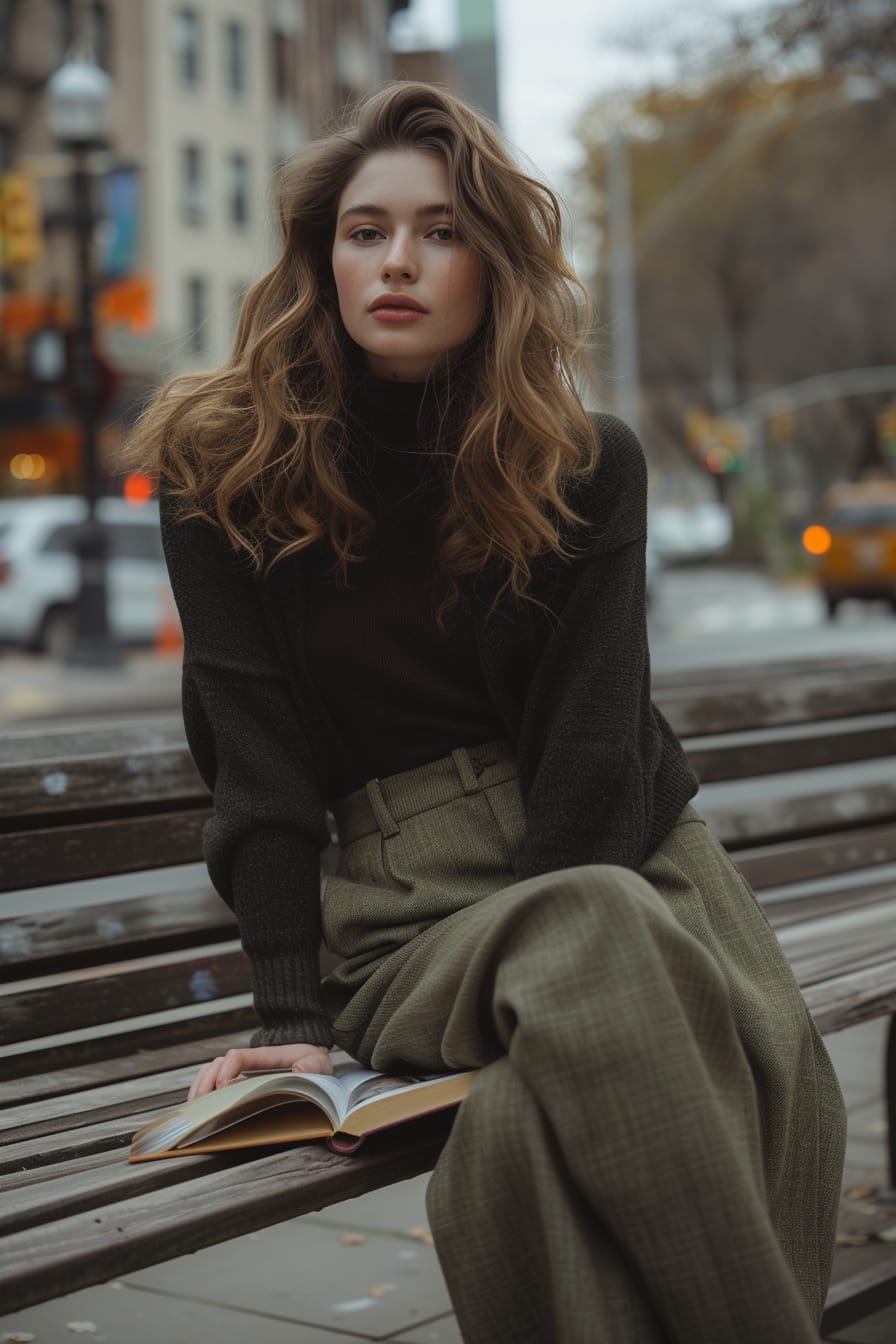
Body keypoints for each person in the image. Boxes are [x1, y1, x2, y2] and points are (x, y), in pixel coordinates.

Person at [127, 81, 846, 1343]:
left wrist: (585, 967)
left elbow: (586, 745)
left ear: (493, 263)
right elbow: (259, 761)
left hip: (628, 864)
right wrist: (290, 1020)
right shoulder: (220, 466)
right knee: (593, 951)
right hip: (408, 915)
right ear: (321, 255)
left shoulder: (583, 461)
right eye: (365, 230)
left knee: (530, 1124)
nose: (397, 260)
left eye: (442, 230)